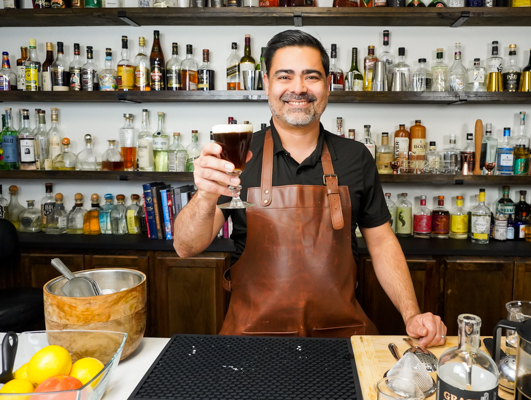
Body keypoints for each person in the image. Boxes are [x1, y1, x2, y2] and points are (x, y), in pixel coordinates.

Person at [174, 30, 446, 346]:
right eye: (285, 76)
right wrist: (206, 193)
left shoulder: (355, 157)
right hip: (251, 338)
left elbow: (383, 242)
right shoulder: (238, 156)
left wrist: (411, 314)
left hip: (342, 335)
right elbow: (185, 247)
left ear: (328, 84)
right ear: (266, 84)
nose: (299, 88)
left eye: (311, 76)